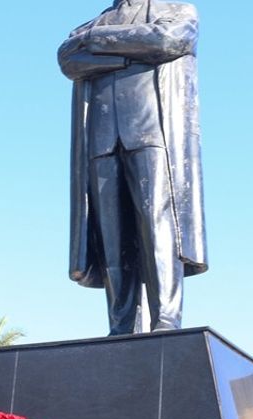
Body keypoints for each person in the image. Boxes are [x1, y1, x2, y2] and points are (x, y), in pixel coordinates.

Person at [59, 0, 207, 335]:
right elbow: (68, 58)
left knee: (157, 222)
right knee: (111, 234)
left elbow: (170, 39)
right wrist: (132, 53)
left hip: (151, 128)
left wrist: (100, 44)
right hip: (101, 134)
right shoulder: (92, 23)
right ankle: (121, 323)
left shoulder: (178, 10)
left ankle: (165, 318)